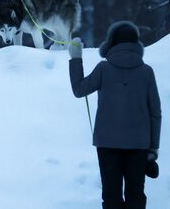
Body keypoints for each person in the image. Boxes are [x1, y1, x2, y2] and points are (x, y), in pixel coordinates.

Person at [68, 21, 162, 209]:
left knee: (111, 195)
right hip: (139, 144)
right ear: (136, 45)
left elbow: (79, 90)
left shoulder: (104, 69)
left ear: (111, 44)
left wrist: (76, 57)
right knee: (135, 194)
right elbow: (155, 113)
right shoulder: (146, 72)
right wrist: (153, 148)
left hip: (107, 144)